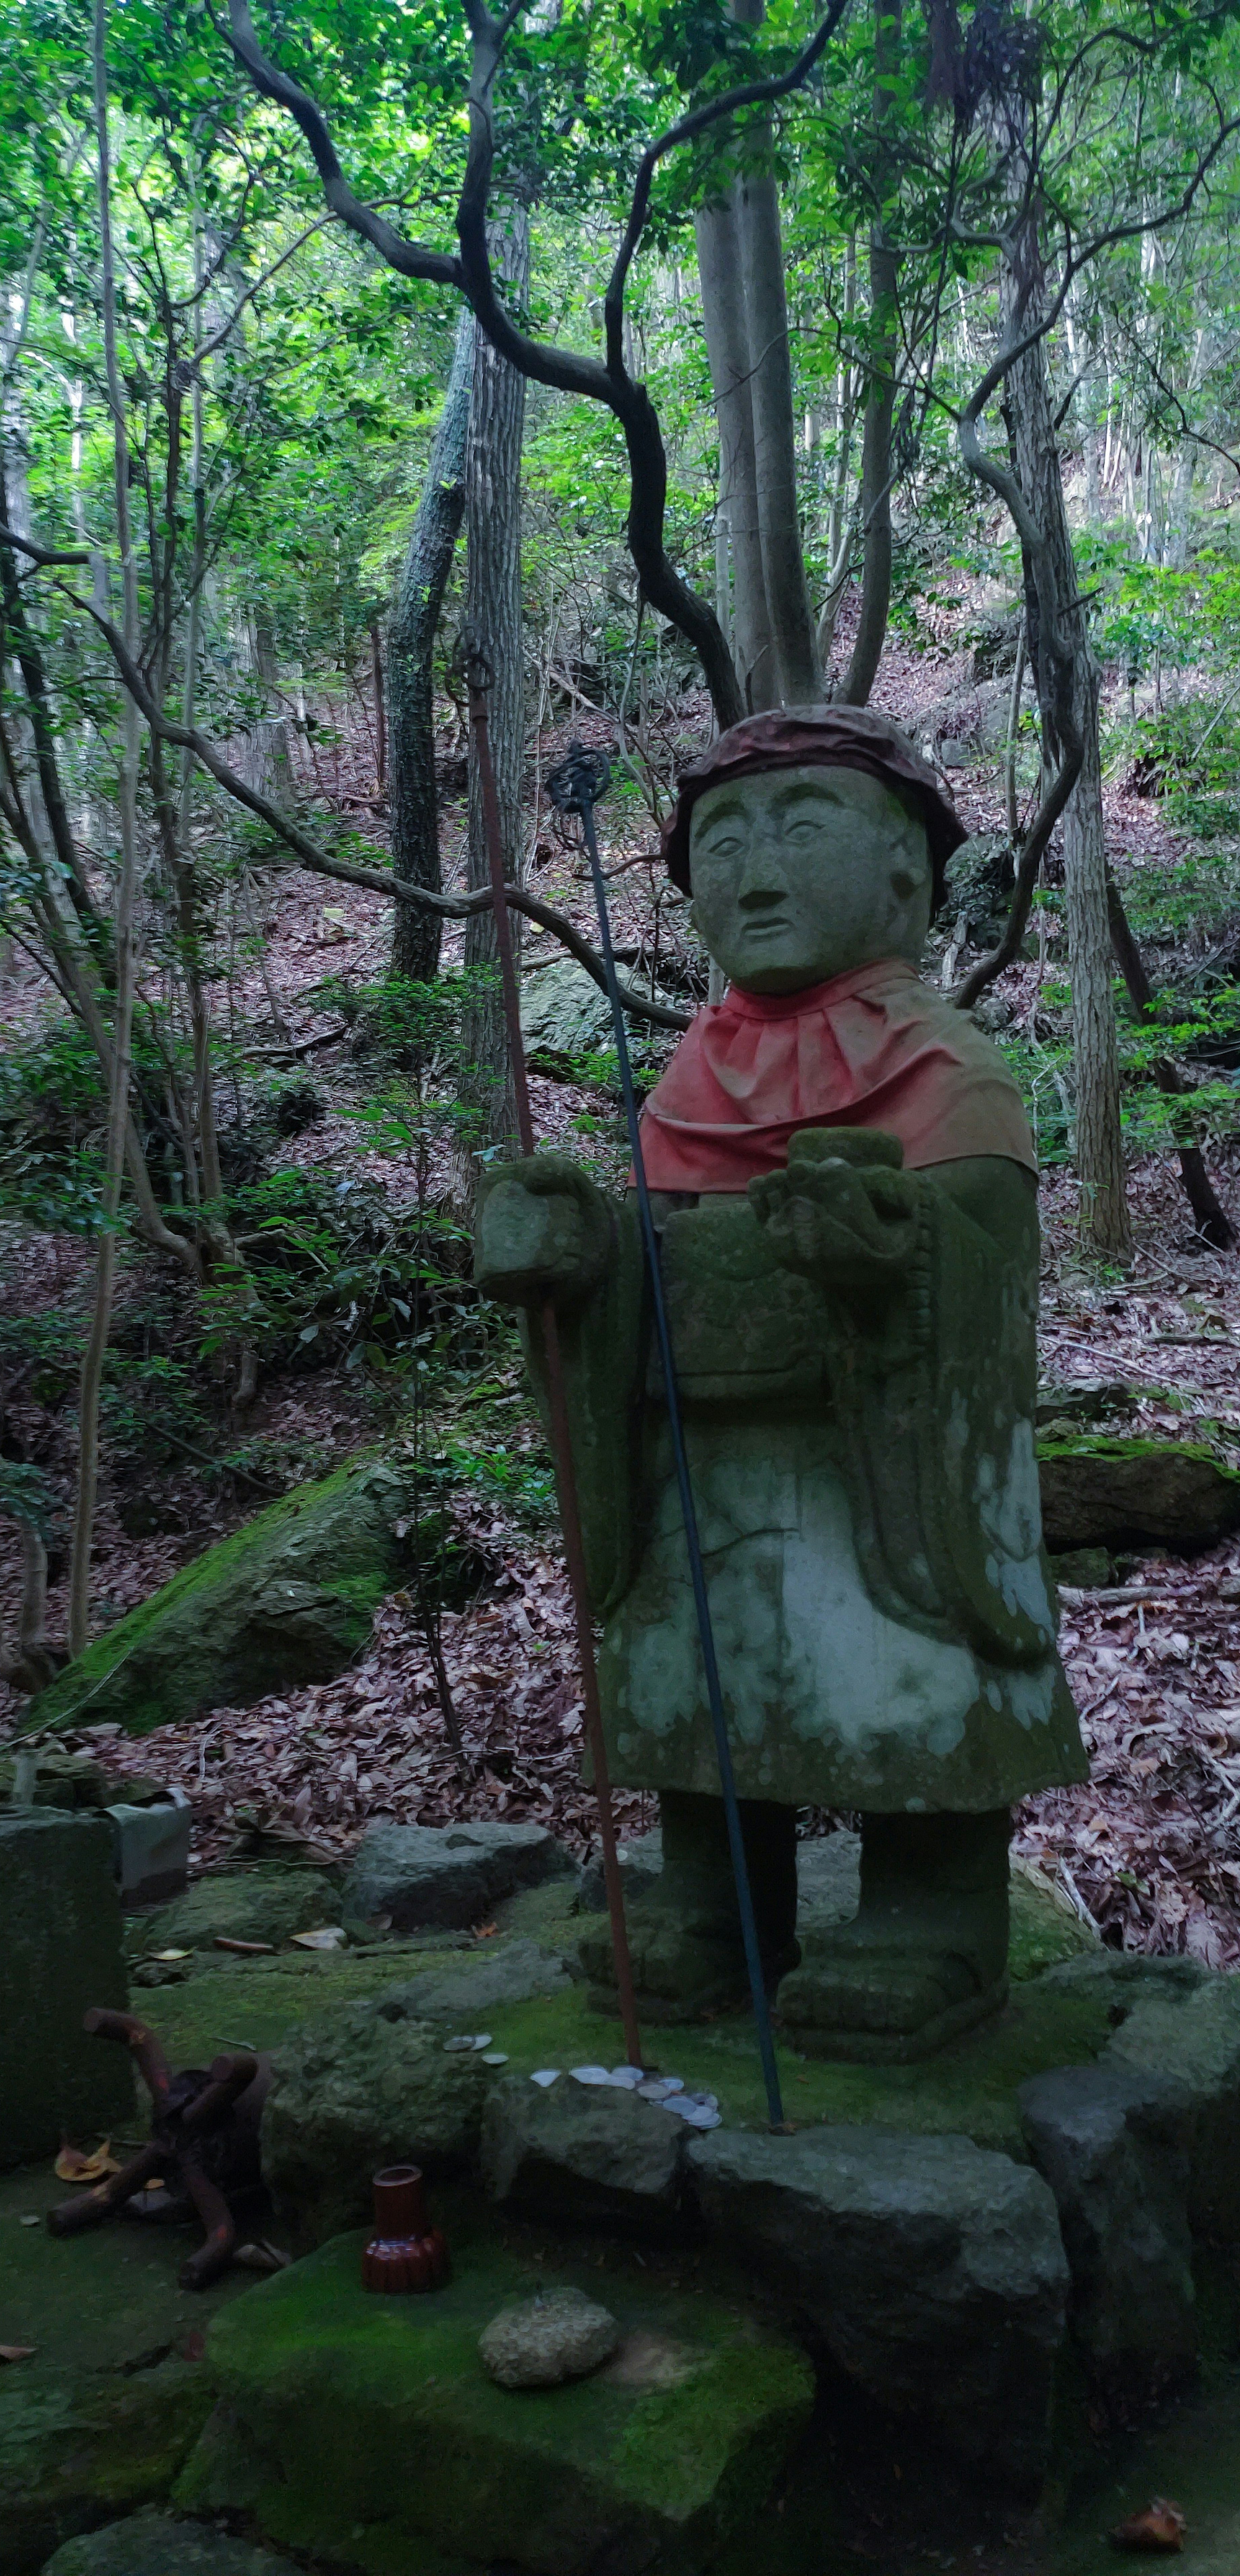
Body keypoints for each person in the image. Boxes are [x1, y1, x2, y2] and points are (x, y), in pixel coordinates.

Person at [474, 707, 1085, 2061]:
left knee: (896, 1662)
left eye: (805, 832)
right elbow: (639, 1260)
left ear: (911, 877)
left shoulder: (949, 1072)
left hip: (881, 1476)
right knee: (703, 1649)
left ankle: (934, 1921)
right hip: (704, 1452)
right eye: (724, 845)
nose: (753, 876)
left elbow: (985, 1273)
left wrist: (900, 1255)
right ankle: (711, 1901)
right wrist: (577, 1261)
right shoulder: (684, 1082)